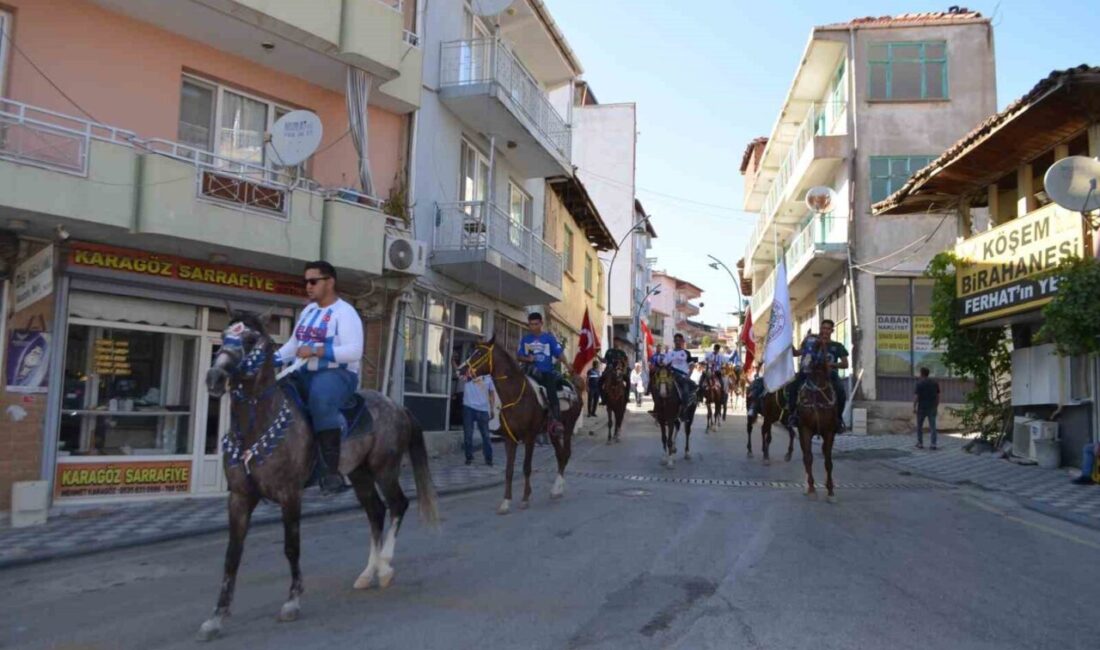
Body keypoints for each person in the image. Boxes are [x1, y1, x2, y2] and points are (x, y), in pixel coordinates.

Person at [276, 260, 363, 495]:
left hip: (337, 373)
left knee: (320, 400)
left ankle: (331, 473)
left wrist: (316, 350)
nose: (308, 286)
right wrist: (272, 359)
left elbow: (355, 351)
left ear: (330, 282)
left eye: (313, 281)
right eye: (305, 282)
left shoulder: (345, 313)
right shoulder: (308, 311)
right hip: (302, 371)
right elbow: (294, 344)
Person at [787, 319, 848, 430]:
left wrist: (832, 364)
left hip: (830, 374)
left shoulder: (837, 346)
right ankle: (793, 415)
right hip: (809, 373)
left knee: (841, 391)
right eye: (823, 328)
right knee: (792, 386)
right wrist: (788, 342)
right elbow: (796, 353)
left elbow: (845, 364)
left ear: (832, 331)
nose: (825, 331)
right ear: (820, 329)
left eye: (828, 329)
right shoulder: (812, 342)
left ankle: (838, 419)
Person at [516, 312, 567, 433]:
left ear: (541, 324)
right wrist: (527, 359)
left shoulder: (549, 338)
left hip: (545, 373)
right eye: (530, 325)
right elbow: (518, 356)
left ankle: (556, 420)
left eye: (535, 324)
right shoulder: (525, 339)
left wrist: (568, 365)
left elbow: (559, 353)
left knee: (551, 391)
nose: (533, 327)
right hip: (530, 372)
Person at [461, 370, 496, 466]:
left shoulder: (488, 377)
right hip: (468, 408)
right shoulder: (467, 373)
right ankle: (469, 457)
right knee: (468, 434)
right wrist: (452, 361)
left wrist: (492, 408)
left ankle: (488, 458)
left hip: (483, 409)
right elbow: (458, 370)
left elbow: (492, 393)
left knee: (486, 435)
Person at [913, 367, 941, 450]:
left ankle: (920, 443)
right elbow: (938, 396)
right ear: (928, 373)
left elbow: (916, 397)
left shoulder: (919, 383)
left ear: (921, 373)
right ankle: (933, 444)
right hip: (932, 407)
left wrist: (914, 406)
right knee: (933, 426)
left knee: (919, 426)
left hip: (922, 407)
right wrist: (936, 405)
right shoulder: (935, 383)